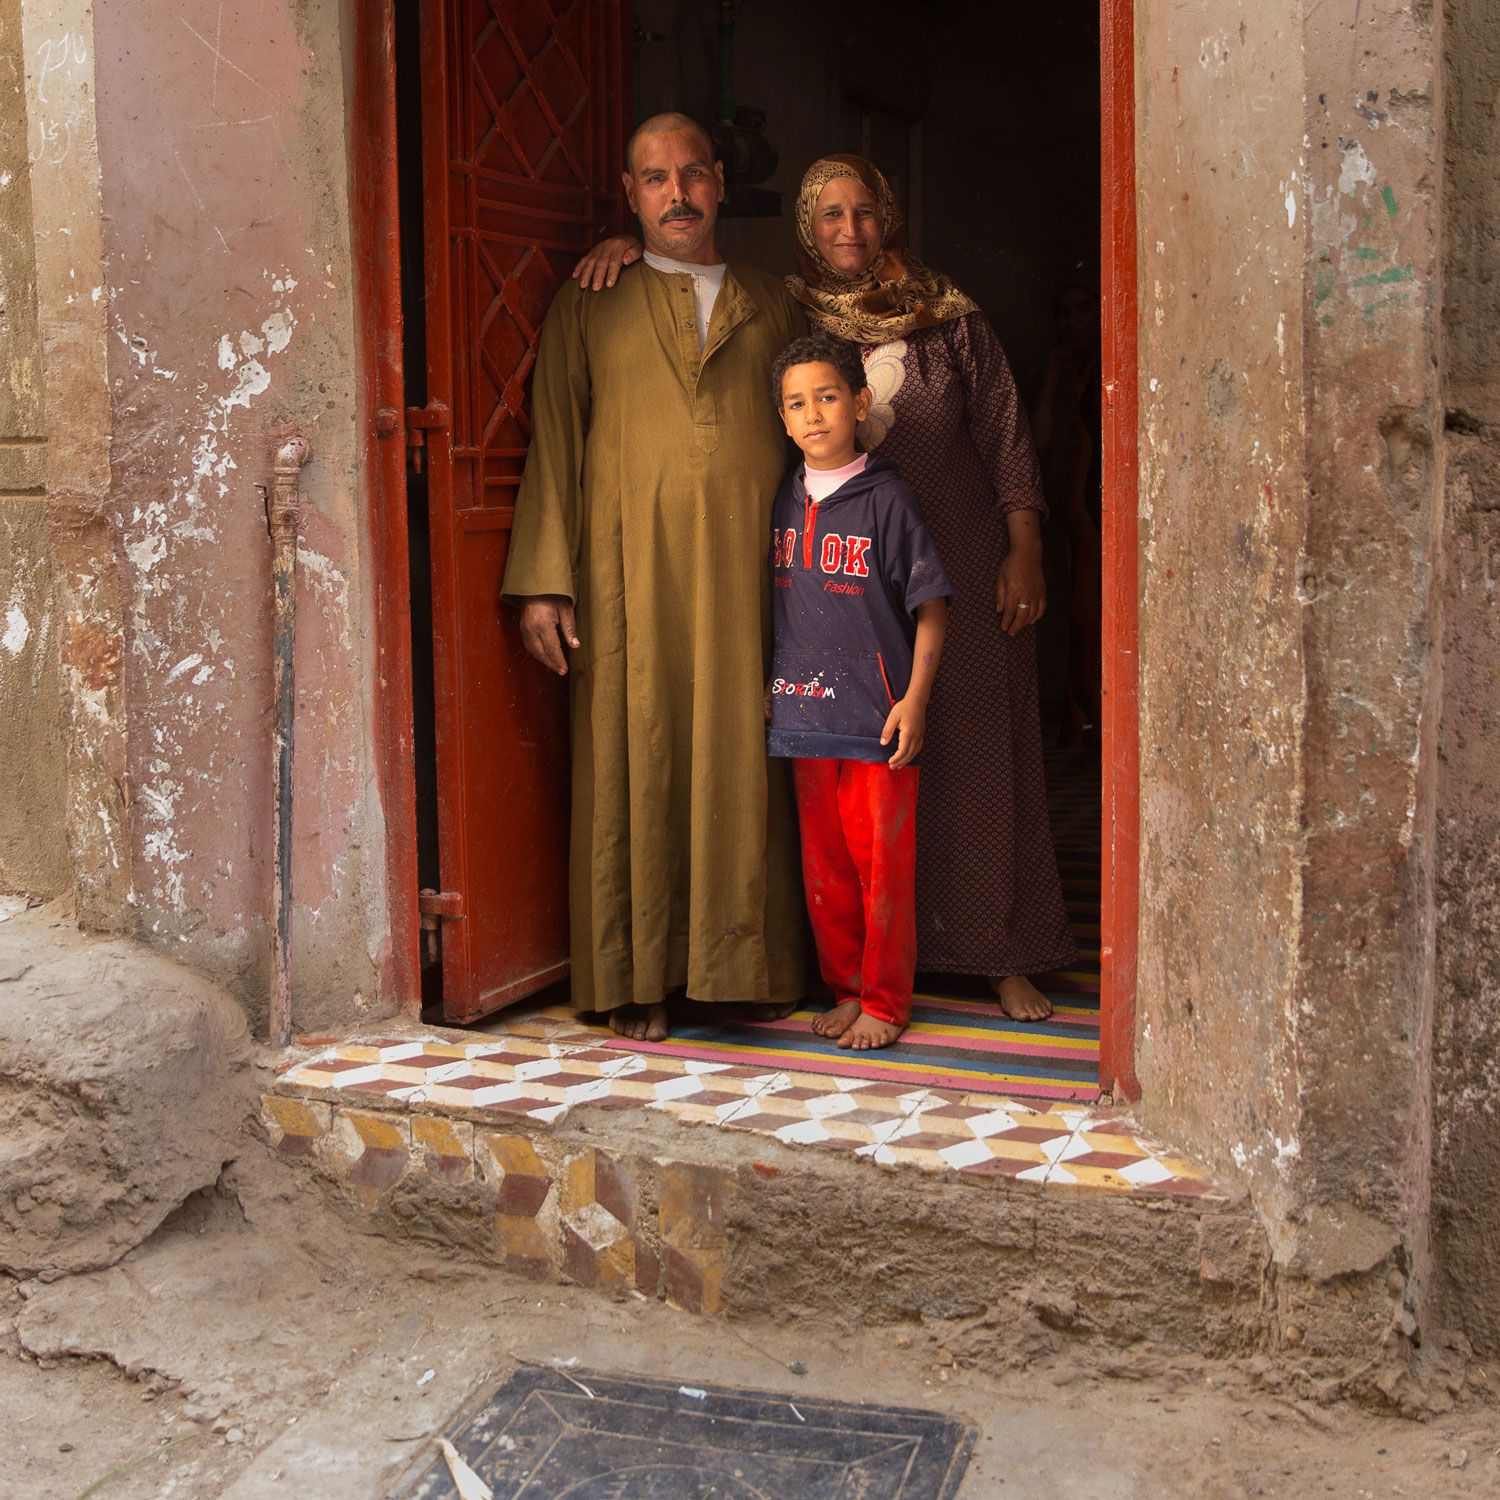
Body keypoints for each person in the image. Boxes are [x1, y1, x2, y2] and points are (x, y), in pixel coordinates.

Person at [574, 153, 1076, 1021]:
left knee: (978, 751)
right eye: (830, 216)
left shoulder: (948, 318)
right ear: (807, 229)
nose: (851, 230)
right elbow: (692, 279)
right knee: (864, 782)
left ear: (890, 217)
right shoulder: (783, 310)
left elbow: (1004, 433)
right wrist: (633, 243)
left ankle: (1001, 951)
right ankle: (868, 975)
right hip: (837, 589)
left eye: (866, 212)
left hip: (955, 556)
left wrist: (1023, 547)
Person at [502, 113, 808, 1042]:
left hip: (755, 582)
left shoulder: (775, 301)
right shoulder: (589, 300)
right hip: (627, 579)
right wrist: (544, 582)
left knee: (748, 761)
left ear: (720, 182)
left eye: (691, 175)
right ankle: (636, 979)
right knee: (638, 757)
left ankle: (746, 969)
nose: (677, 195)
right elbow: (554, 439)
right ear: (629, 196)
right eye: (653, 180)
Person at [766, 334, 950, 1049]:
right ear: (782, 421)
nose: (813, 414)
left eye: (828, 396)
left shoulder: (889, 500)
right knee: (827, 870)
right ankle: (846, 988)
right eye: (796, 403)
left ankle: (884, 1000)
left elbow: (933, 604)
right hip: (803, 715)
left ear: (860, 402)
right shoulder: (780, 496)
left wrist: (916, 700)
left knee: (881, 869)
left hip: (876, 720)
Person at [1032, 282, 1103, 746]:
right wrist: (1055, 377)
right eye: (1063, 313)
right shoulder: (1072, 372)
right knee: (1077, 625)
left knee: (1091, 622)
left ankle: (1098, 734)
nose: (1073, 322)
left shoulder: (1109, 370)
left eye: (1083, 310)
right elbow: (1039, 441)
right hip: (1072, 526)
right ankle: (1084, 732)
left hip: (1102, 524)